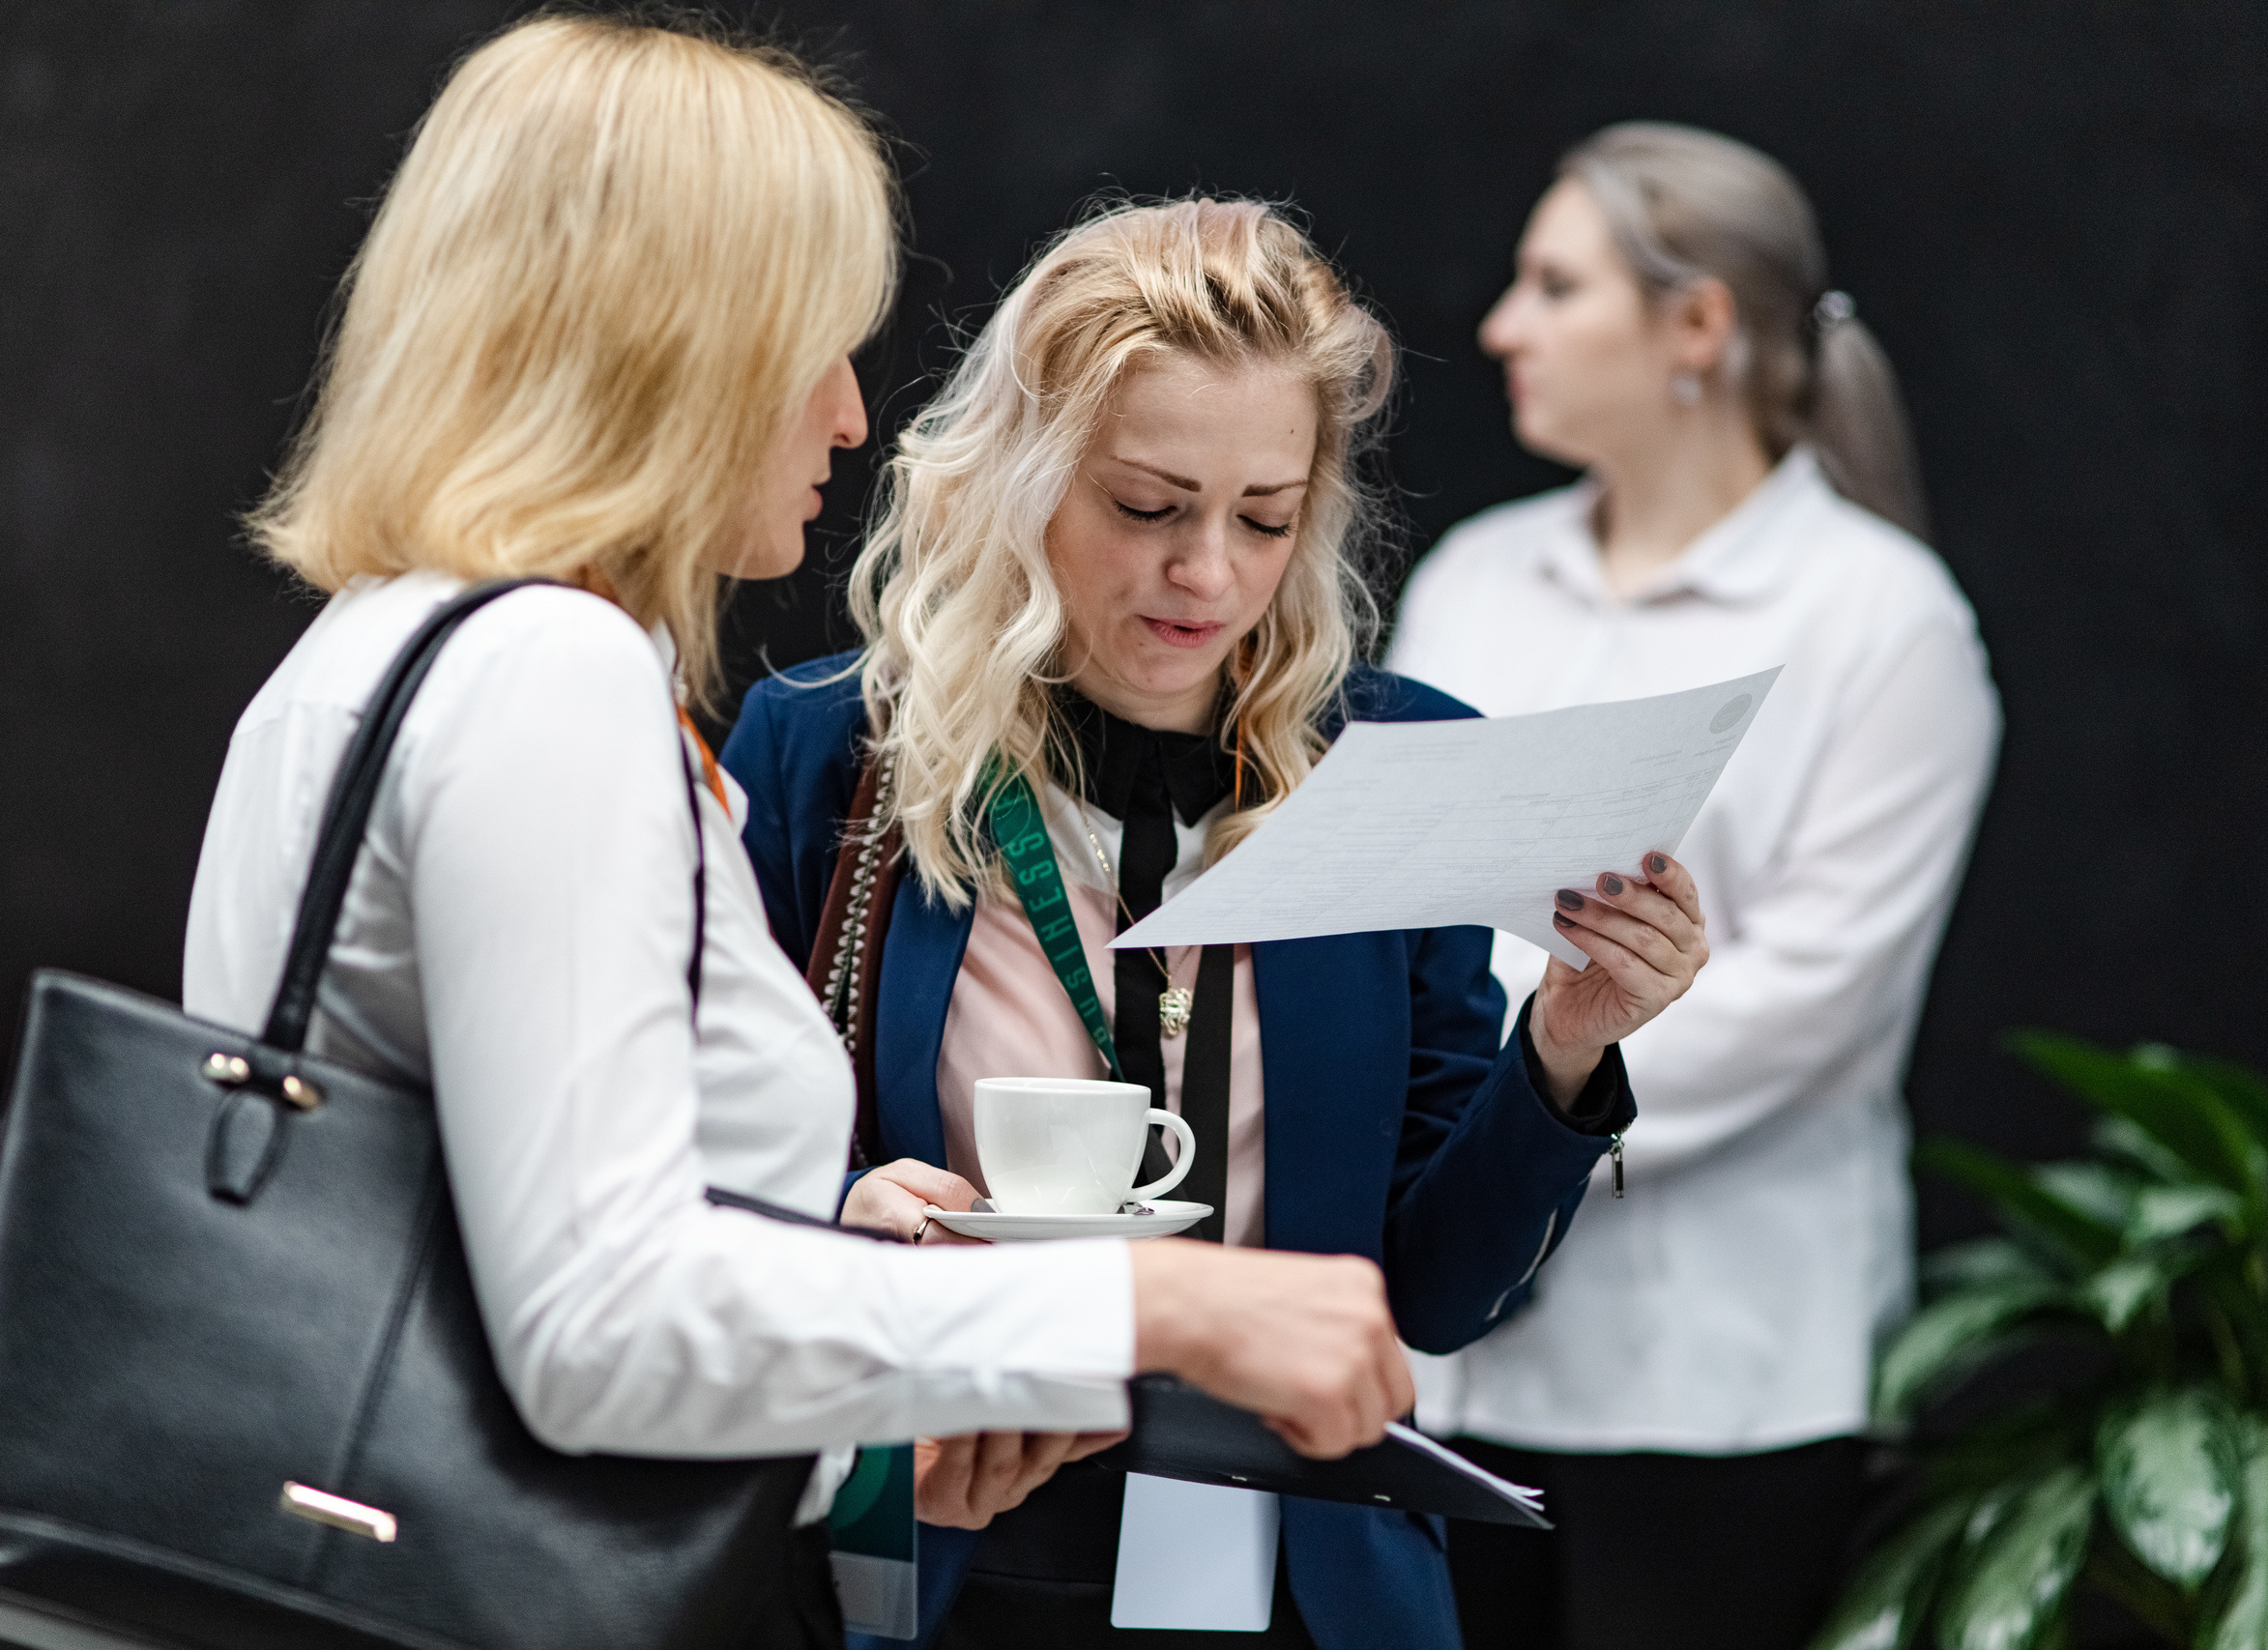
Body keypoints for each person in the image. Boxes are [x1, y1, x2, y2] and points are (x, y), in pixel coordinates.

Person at [181, 18, 1418, 1646]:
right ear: (671, 350)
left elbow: (540, 1229)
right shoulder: (547, 676)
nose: (851, 418)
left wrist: (885, 1392)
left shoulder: (383, 642)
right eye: (823, 345)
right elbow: (598, 1321)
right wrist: (1146, 1295)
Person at [723, 197, 1711, 1650]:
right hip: (923, 1537)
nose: (1210, 576)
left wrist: (1563, 1052)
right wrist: (843, 1211)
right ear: (1022, 476)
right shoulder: (826, 751)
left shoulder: (1402, 767)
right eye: (1147, 506)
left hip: (1298, 1580)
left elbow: (1433, 1295)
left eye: (1265, 517)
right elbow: (699, 1176)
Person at [1387, 123, 2002, 1650]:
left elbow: (1809, 1003)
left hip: (1716, 1378)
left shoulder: (1883, 619)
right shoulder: (1474, 576)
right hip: (1449, 1353)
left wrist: (1513, 1103)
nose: (1499, 325)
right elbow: (1392, 900)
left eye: (1554, 284)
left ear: (1700, 327)